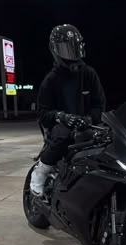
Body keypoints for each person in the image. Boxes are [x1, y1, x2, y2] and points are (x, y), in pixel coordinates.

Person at [30, 24, 106, 196]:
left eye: (73, 46)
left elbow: (99, 105)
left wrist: (89, 119)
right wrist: (61, 116)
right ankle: (40, 171)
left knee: (109, 137)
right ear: (55, 50)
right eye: (66, 47)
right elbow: (42, 113)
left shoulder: (89, 74)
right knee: (63, 135)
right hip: (60, 127)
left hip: (87, 124)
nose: (71, 52)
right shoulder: (51, 79)